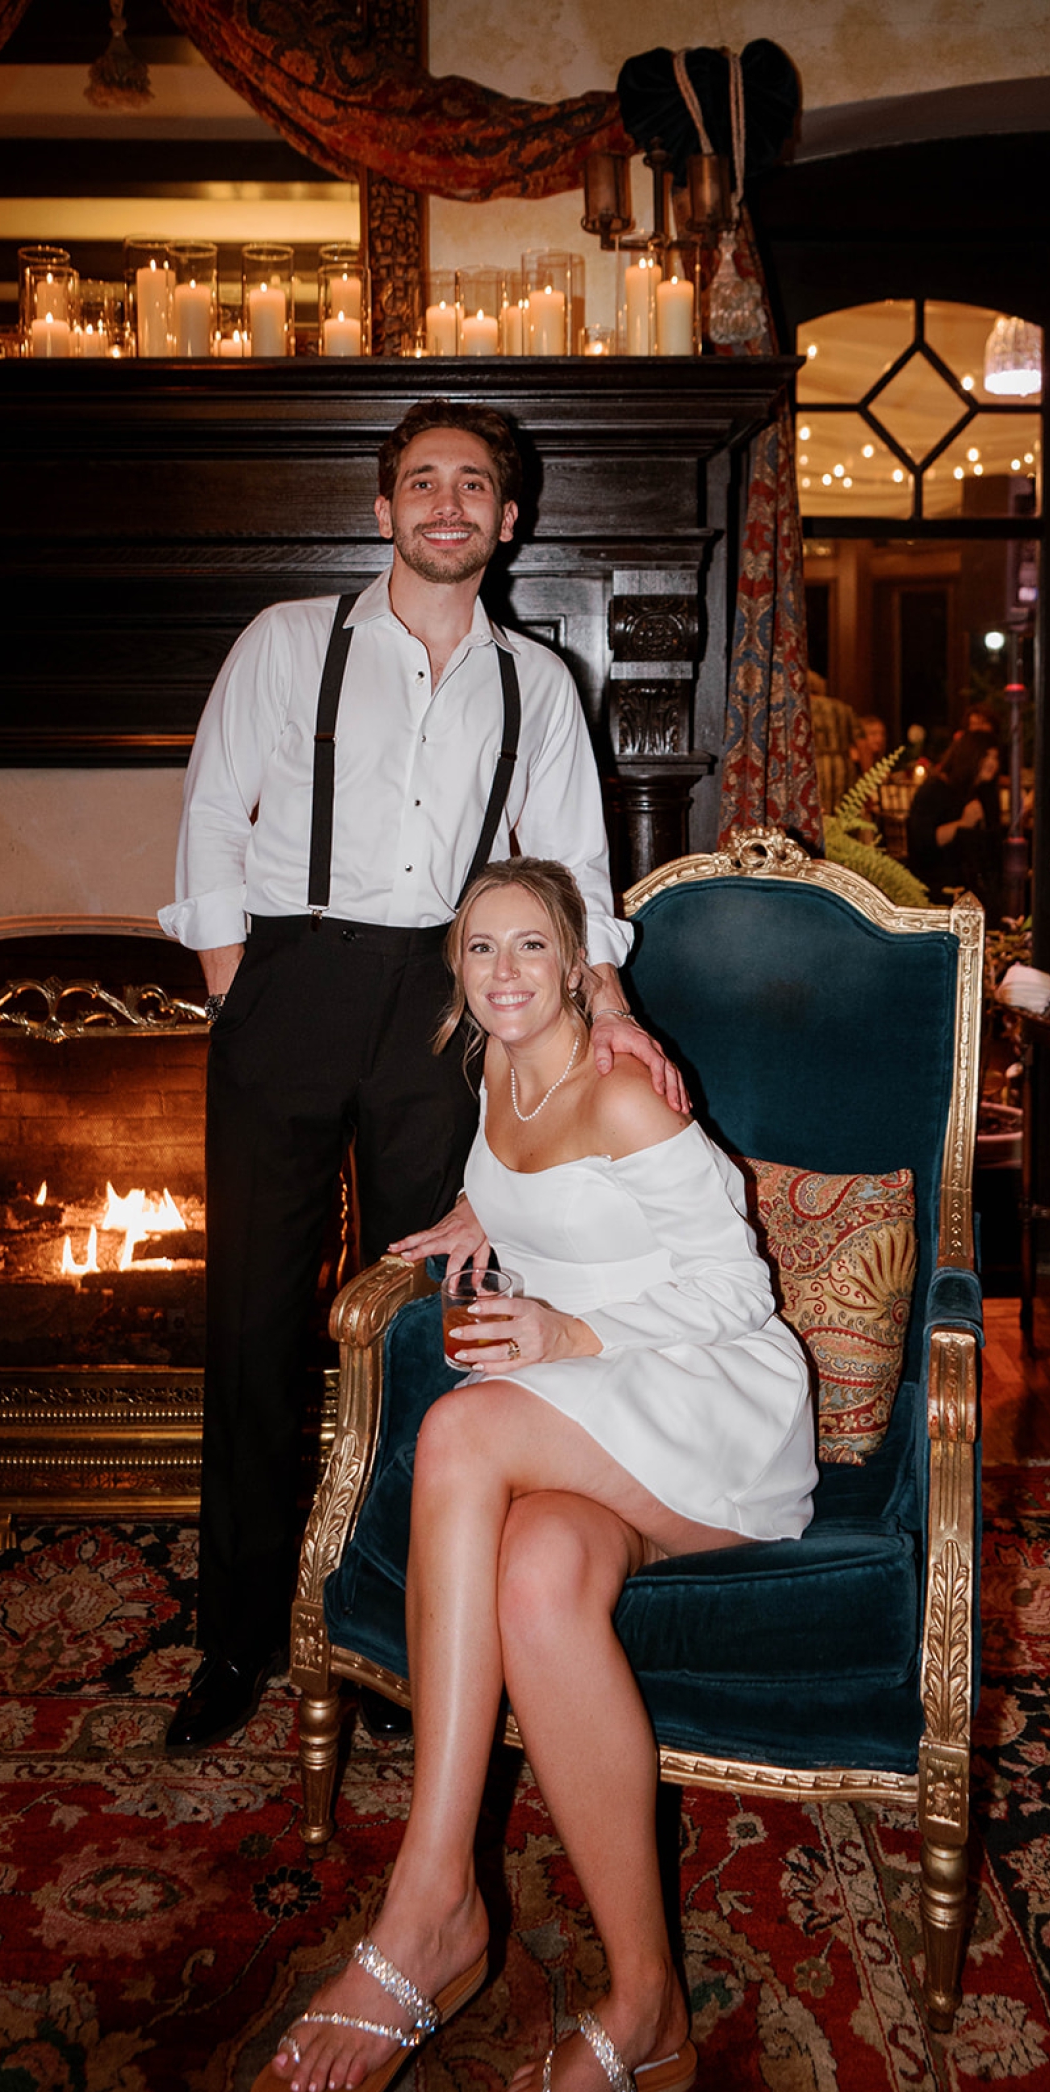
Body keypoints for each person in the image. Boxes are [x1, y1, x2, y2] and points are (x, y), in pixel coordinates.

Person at [157, 403, 686, 1752]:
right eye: (422, 481)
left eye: (475, 485)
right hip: (289, 981)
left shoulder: (540, 682)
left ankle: (400, 1625)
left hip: (448, 1008)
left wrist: (607, 1009)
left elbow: (573, 869)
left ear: (509, 522)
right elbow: (215, 811)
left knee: (432, 1328)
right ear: (386, 510)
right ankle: (236, 1637)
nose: (447, 502)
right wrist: (239, 986)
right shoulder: (288, 643)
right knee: (255, 1327)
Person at [253, 858, 816, 2092]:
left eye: (527, 949)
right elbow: (527, 1187)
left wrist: (564, 1334)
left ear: (578, 966)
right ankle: (646, 2006)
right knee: (535, 1571)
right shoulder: (496, 1072)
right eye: (477, 951)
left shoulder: (620, 1091)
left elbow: (738, 1297)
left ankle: (431, 1895)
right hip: (610, 1408)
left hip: (709, 1397)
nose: (503, 972)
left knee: (461, 1436)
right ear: (457, 979)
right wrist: (475, 1215)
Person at [906, 728, 1001, 906]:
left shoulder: (984, 793)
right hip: (937, 885)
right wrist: (963, 823)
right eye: (986, 756)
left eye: (996, 758)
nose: (992, 763)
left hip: (973, 885)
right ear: (970, 756)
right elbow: (922, 842)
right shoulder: (935, 790)